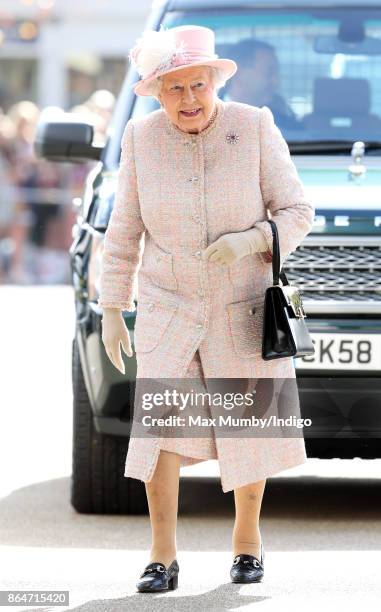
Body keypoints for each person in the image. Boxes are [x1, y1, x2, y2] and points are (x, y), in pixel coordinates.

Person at [98, 24, 314, 592]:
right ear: (157, 92)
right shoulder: (141, 138)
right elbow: (124, 230)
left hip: (241, 306)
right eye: (174, 89)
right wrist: (113, 305)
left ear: (215, 79)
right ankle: (161, 556)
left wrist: (251, 240)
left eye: (198, 85)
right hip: (168, 305)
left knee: (248, 427)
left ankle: (247, 541)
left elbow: (297, 210)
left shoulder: (254, 125)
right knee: (161, 427)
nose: (188, 100)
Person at [221, 38, 302, 130]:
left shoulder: (284, 123)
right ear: (239, 74)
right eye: (269, 73)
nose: (276, 82)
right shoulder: (206, 118)